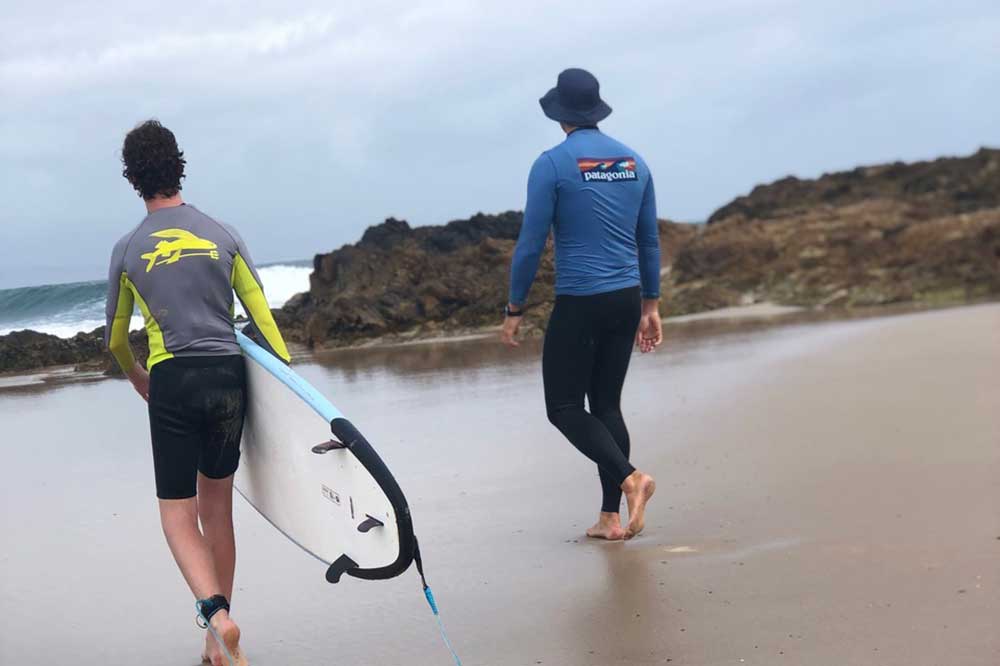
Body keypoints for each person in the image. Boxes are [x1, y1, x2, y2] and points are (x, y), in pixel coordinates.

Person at [105, 120, 290, 666]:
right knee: (218, 512)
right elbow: (265, 324)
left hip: (173, 381)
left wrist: (137, 375)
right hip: (226, 376)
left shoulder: (128, 248)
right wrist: (286, 391)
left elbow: (114, 339)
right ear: (178, 165)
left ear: (133, 177)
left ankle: (217, 617)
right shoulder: (222, 233)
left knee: (176, 514)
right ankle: (216, 640)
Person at [502, 69, 661, 541]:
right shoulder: (635, 162)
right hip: (627, 298)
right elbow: (648, 241)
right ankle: (610, 518)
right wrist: (651, 304)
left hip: (581, 302)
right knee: (607, 405)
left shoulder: (551, 164)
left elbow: (530, 244)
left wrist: (515, 308)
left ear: (560, 114)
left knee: (564, 406)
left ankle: (631, 478)